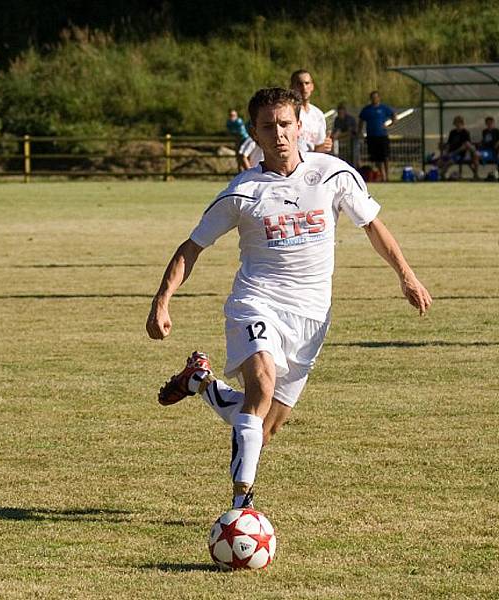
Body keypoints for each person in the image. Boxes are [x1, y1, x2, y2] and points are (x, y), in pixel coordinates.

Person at [146, 87, 431, 511]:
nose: (278, 134)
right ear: (255, 136)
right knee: (260, 385)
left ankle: (199, 382)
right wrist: (161, 300)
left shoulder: (334, 174)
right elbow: (193, 246)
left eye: (284, 124)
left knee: (262, 423)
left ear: (300, 127)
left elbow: (372, 226)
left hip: (312, 318)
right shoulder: (243, 192)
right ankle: (242, 506)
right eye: (268, 127)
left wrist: (407, 277)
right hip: (256, 302)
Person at [289, 69, 332, 154]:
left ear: (312, 86)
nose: (304, 88)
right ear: (291, 87)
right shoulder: (287, 112)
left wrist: (325, 145)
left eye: (307, 83)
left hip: (312, 163)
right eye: (299, 84)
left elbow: (319, 146)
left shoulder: (318, 114)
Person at [358, 91, 397, 182]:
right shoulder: (367, 110)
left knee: (385, 156)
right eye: (372, 97)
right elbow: (361, 121)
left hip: (382, 136)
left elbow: (394, 115)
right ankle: (382, 175)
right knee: (376, 157)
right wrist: (360, 132)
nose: (374, 99)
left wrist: (390, 125)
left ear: (379, 98)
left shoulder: (383, 108)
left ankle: (387, 176)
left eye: (376, 97)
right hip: (371, 136)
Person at [436, 115, 477, 180]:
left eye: (459, 123)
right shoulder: (452, 132)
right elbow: (449, 144)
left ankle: (441, 175)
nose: (457, 124)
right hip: (450, 152)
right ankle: (438, 175)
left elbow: (465, 146)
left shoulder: (465, 132)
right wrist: (445, 151)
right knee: (439, 162)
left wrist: (453, 153)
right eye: (456, 123)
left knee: (449, 162)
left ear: (462, 123)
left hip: (460, 154)